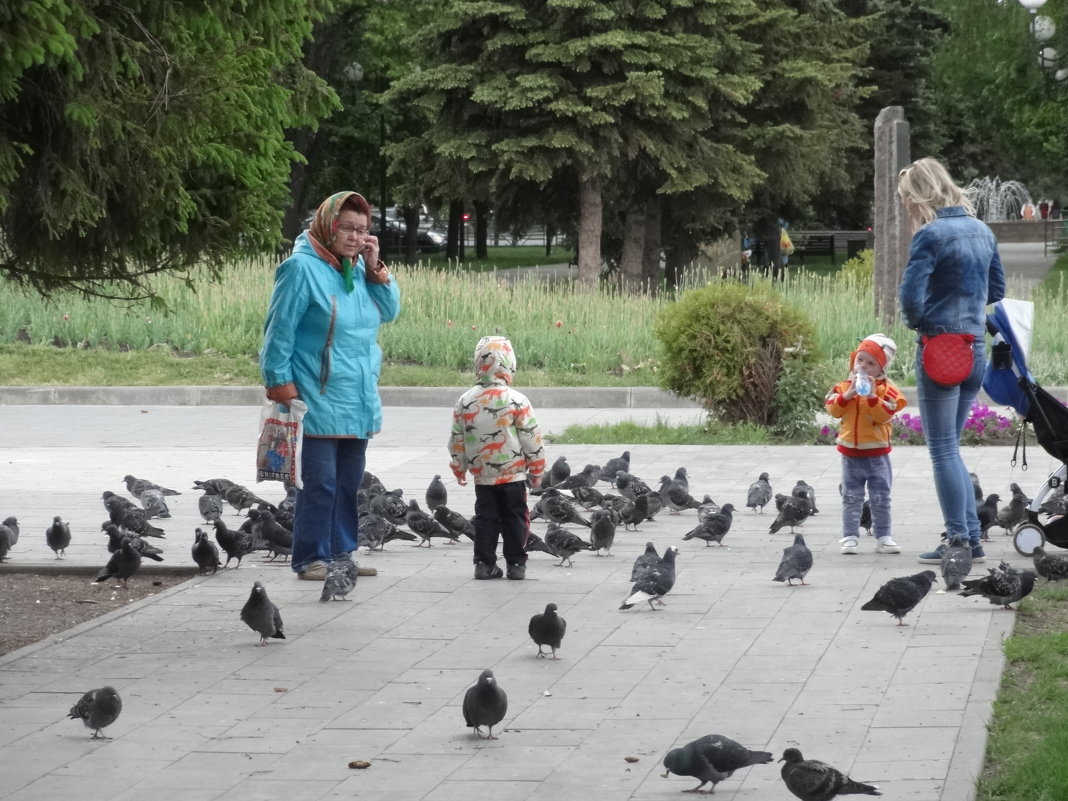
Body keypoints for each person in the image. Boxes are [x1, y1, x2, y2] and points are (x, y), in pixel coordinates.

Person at [260, 191, 401, 581]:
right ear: (328, 225)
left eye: (363, 230)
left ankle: (341, 553)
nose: (355, 237)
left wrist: (376, 271)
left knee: (348, 483)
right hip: (315, 396)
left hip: (358, 397)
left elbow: (389, 311)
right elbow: (278, 334)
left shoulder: (356, 269)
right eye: (347, 228)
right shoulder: (300, 269)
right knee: (319, 483)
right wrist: (280, 385)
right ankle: (310, 558)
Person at [897, 158, 1006, 565]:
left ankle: (959, 540)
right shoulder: (982, 231)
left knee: (942, 450)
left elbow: (910, 298)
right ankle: (972, 540)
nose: (907, 205)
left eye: (908, 197)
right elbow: (997, 287)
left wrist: (922, 324)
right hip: (975, 347)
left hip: (941, 350)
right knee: (951, 448)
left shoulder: (930, 235)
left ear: (920, 194)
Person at [447, 336, 546, 580]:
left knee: (485, 519)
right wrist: (537, 470)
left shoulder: (465, 400)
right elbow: (531, 438)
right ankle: (515, 564)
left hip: (483, 477)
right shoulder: (517, 400)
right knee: (515, 518)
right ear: (510, 364)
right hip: (513, 475)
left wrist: (459, 467)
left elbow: (457, 438)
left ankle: (484, 563)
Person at [825, 334, 907, 555]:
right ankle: (850, 536)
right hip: (850, 453)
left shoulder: (886, 390)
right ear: (853, 360)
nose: (863, 366)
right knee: (851, 496)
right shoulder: (843, 387)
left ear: (881, 369)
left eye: (871, 363)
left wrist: (872, 397)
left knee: (880, 496)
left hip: (877, 453)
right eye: (860, 360)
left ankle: (883, 536)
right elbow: (832, 409)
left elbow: (886, 413)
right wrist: (848, 395)